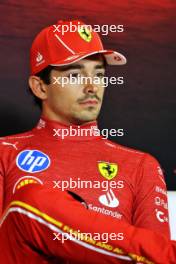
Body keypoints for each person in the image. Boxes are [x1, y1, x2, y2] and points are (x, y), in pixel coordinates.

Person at [0, 19, 171, 263]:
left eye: (99, 74)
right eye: (74, 75)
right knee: (29, 201)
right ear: (40, 87)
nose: (92, 86)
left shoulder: (141, 165)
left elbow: (153, 256)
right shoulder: (4, 152)